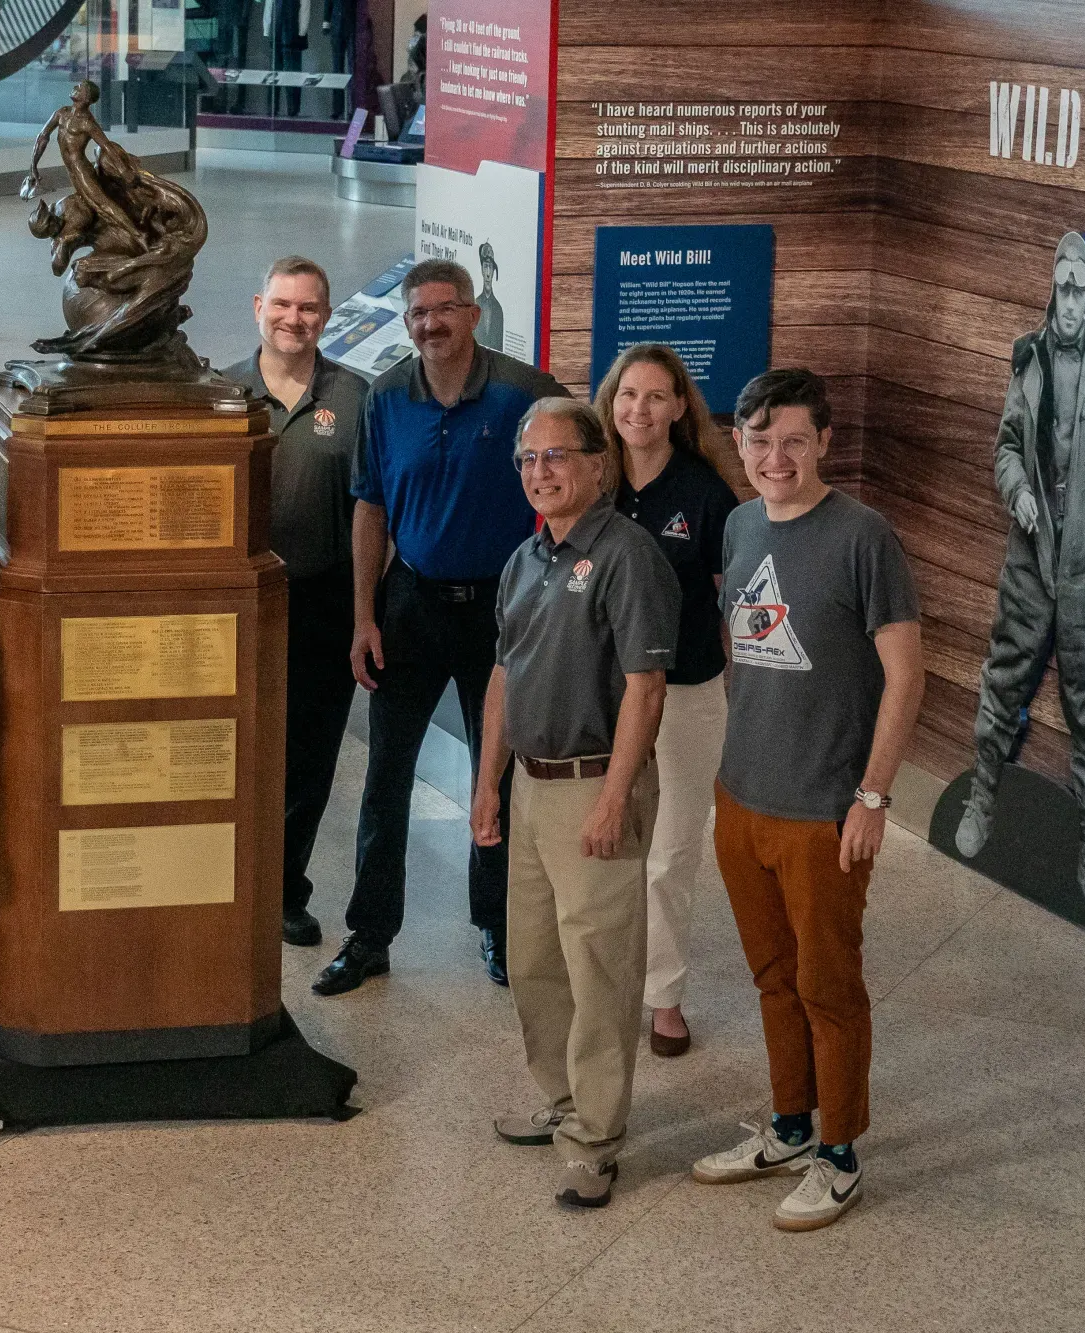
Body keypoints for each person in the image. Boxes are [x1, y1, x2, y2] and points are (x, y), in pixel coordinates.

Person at [692, 369, 923, 1233]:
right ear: (740, 444)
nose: (774, 457)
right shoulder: (742, 523)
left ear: (824, 441)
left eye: (793, 440)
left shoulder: (866, 536)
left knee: (829, 984)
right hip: (742, 795)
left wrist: (872, 795)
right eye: (758, 441)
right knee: (772, 975)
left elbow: (906, 674)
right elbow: (746, 643)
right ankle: (790, 1124)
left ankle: (839, 1152)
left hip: (825, 808)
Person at [323, 257, 567, 996]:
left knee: (498, 774)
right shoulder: (387, 397)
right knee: (385, 777)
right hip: (411, 604)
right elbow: (369, 506)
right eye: (418, 314)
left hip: (504, 608)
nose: (431, 324)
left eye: (444, 309)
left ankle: (497, 925)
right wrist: (365, 614)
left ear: (472, 313)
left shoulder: (526, 393)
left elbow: (577, 480)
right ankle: (369, 934)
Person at [472, 398, 678, 1210]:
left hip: (597, 783)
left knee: (599, 969)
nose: (541, 471)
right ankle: (559, 1102)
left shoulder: (627, 556)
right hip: (530, 781)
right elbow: (503, 677)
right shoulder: (525, 559)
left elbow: (646, 687)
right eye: (529, 459)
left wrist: (615, 796)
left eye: (558, 456)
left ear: (600, 465)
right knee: (533, 961)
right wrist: (490, 781)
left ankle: (594, 1140)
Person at [955, 231, 1085, 931]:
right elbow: (1007, 444)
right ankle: (982, 796)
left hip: (1084, 580)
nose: (1070, 299)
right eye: (1061, 285)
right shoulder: (1029, 360)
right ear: (1051, 287)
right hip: (1028, 566)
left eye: (1080, 287)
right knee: (1003, 683)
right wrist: (1018, 492)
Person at [596, 344, 739, 1057]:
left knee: (671, 848)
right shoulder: (595, 483)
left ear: (681, 407)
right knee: (607, 839)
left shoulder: (707, 493)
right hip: (608, 697)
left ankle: (665, 996)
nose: (639, 410)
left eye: (656, 397)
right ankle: (607, 985)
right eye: (628, 395)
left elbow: (734, 602)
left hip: (686, 692)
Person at [224, 256, 368, 947]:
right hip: (237, 608)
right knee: (233, 750)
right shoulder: (219, 393)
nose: (294, 319)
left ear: (327, 315)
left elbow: (375, 511)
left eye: (308, 308)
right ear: (258, 304)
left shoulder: (357, 398)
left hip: (322, 604)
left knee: (308, 759)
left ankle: (285, 889)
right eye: (282, 304)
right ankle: (227, 884)